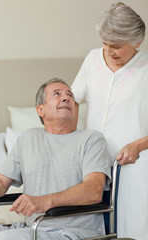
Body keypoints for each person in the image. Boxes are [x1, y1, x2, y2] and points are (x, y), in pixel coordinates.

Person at [0, 78, 111, 240]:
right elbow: (1, 181)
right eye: (57, 94)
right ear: (40, 109)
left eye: (69, 95)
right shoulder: (28, 138)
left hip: (73, 231)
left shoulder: (92, 139)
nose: (66, 98)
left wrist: (45, 201)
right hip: (31, 227)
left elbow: (93, 191)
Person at [71, 2, 148, 240]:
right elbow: (73, 99)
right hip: (92, 166)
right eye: (104, 43)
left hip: (135, 166)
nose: (108, 50)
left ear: (136, 42)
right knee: (95, 231)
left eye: (116, 46)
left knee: (131, 230)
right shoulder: (93, 59)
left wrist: (138, 145)